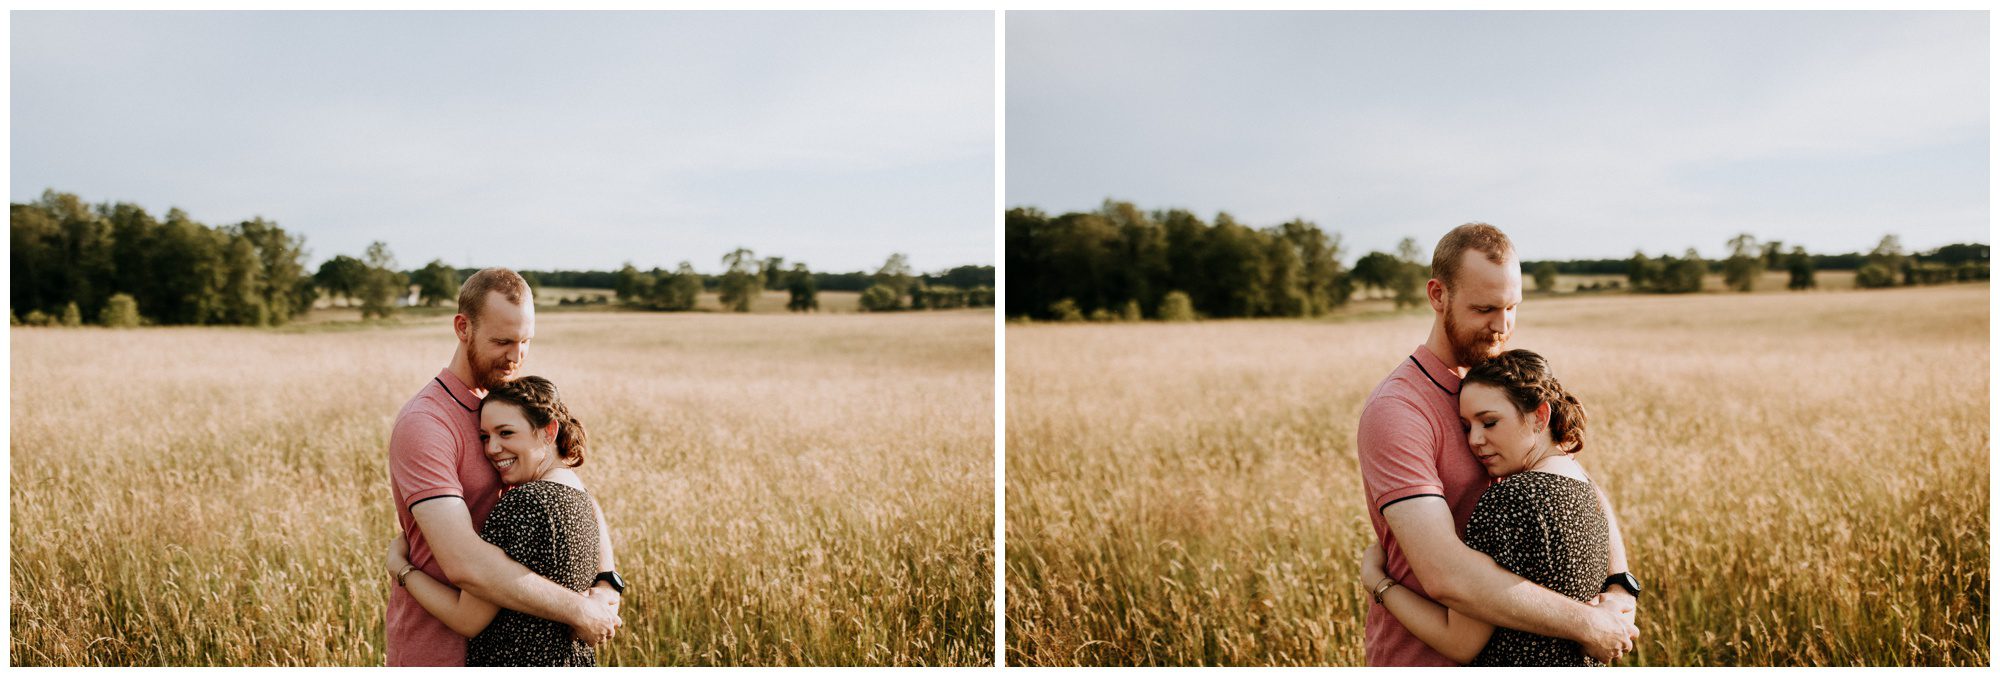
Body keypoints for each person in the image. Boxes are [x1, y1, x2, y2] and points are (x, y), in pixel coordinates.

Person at [1354, 223, 1641, 666]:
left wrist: (1620, 587)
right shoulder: (1399, 410)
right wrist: (1587, 624)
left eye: (1512, 308)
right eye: (1485, 308)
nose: (1502, 327)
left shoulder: (1493, 386)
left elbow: (1576, 481)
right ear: (1438, 296)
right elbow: (1446, 576)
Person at [385, 268, 627, 666]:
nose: (515, 357)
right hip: (441, 650)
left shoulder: (506, 405)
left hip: (514, 649)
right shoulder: (426, 424)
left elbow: (571, 489)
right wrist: (579, 611)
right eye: (502, 342)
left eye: (525, 341)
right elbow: (465, 564)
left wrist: (606, 584)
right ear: (463, 328)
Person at [1360, 349, 1610, 665]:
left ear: (1540, 417)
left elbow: (1459, 642)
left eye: (1489, 422)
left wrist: (1378, 583)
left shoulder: (1509, 500)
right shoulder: (1586, 488)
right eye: (1466, 427)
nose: (1475, 440)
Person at [388, 376, 606, 666]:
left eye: (506, 433)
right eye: (485, 437)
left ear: (548, 432)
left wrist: (402, 569)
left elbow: (466, 619)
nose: (492, 448)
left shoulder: (524, 504)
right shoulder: (579, 494)